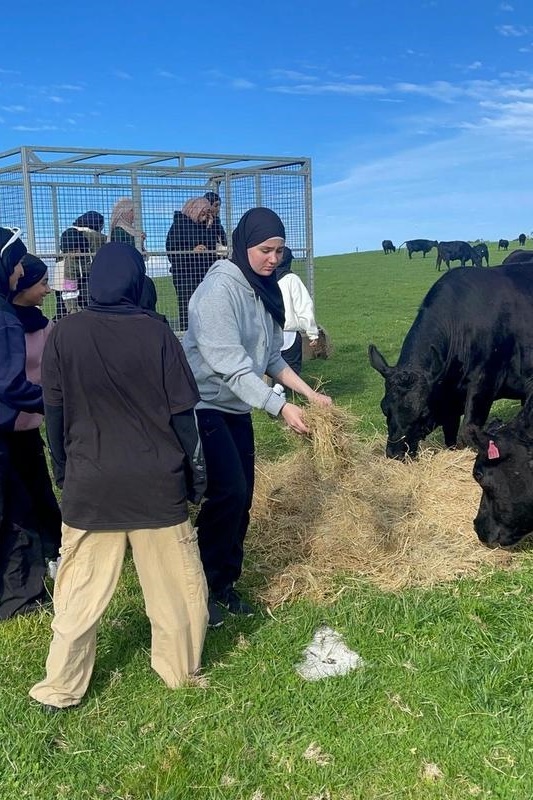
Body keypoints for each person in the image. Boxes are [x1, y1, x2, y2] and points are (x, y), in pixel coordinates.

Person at [29, 242, 208, 711]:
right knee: (175, 591)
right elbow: (183, 418)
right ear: (136, 281)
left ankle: (61, 686)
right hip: (156, 482)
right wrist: (197, 476)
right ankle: (180, 671)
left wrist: (63, 471)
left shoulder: (63, 334)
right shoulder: (158, 334)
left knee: (78, 594)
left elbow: (54, 413)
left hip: (91, 484)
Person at [182, 207, 332, 627]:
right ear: (244, 245)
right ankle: (202, 590)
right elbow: (230, 365)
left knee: (242, 495)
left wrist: (308, 395)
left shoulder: (262, 290)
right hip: (206, 404)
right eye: (266, 249)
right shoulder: (219, 291)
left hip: (236, 407)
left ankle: (225, 584)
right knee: (226, 493)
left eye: (279, 251)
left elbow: (268, 356)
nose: (273, 258)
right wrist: (280, 407)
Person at [0, 227, 49, 619]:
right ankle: (20, 599)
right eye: (15, 263)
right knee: (17, 515)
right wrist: (57, 403)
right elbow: (11, 385)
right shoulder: (5, 320)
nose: (19, 271)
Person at [10, 254, 62, 568]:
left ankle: (53, 550)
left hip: (31, 424)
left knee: (40, 490)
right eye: (42, 283)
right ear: (24, 283)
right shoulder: (7, 323)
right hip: (8, 424)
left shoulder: (46, 325)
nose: (47, 289)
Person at [165, 197, 219, 330]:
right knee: (188, 309)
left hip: (204, 274)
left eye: (208, 213)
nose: (206, 215)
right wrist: (192, 251)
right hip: (185, 276)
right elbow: (172, 250)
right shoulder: (179, 226)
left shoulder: (207, 226)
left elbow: (215, 244)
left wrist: (212, 223)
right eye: (203, 212)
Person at [275, 246, 319, 384]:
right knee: (291, 367)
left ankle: (274, 392)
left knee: (272, 365)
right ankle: (281, 391)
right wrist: (312, 333)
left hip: (268, 331)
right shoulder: (291, 279)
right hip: (289, 332)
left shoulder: (263, 279)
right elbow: (304, 307)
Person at [58, 211, 107, 315]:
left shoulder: (95, 239)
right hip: (71, 278)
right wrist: (73, 310)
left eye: (76, 251)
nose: (74, 254)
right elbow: (69, 283)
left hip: (91, 277)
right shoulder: (71, 258)